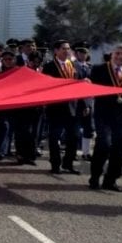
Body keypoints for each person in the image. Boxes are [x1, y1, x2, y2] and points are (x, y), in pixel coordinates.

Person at [88, 43, 122, 191]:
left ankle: (110, 180)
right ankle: (94, 177)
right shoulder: (99, 69)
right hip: (103, 114)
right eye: (117, 53)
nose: (120, 56)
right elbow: (90, 87)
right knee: (103, 145)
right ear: (111, 55)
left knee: (119, 149)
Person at [41, 40, 81, 175]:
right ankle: (55, 164)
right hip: (56, 108)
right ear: (56, 51)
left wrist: (85, 104)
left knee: (74, 137)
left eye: (68, 48)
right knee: (54, 137)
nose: (67, 51)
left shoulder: (75, 66)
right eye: (63, 49)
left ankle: (68, 163)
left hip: (73, 108)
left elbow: (81, 85)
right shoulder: (49, 67)